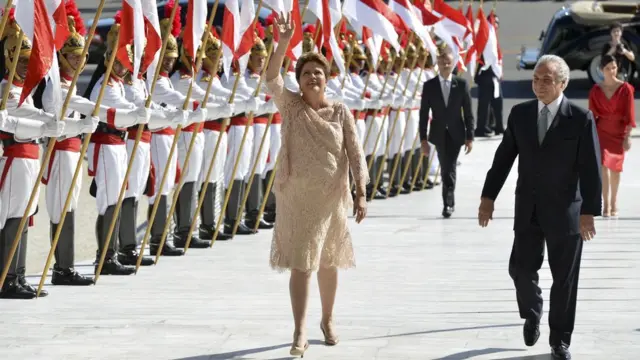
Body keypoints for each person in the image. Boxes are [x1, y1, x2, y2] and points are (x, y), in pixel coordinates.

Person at [478, 54, 602, 360]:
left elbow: (590, 168)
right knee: (520, 269)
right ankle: (532, 312)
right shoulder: (520, 115)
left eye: (546, 80)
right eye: (536, 79)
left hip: (566, 213)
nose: (539, 85)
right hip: (528, 209)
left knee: (564, 279)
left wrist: (589, 212)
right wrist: (488, 197)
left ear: (562, 83)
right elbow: (504, 158)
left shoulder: (580, 118)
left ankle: (559, 340)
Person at [265, 13, 368, 358]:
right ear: (299, 80)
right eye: (306, 73)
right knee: (301, 263)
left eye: (318, 73)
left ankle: (327, 320)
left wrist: (361, 193)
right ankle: (299, 330)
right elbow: (270, 78)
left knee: (328, 262)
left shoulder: (339, 111)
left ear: (327, 79)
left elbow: (355, 153)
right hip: (297, 198)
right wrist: (282, 43)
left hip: (332, 199)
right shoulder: (291, 106)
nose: (312, 77)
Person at [419, 42, 474, 218]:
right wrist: (423, 140)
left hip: (457, 133)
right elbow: (423, 114)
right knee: (447, 167)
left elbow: (468, 112)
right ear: (438, 64)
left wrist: (470, 137)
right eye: (442, 62)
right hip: (438, 133)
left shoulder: (461, 84)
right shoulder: (430, 86)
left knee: (449, 167)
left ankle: (448, 202)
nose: (445, 65)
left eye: (449, 62)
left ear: (453, 64)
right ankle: (448, 203)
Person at [588, 54, 635, 217]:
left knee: (615, 169)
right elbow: (592, 116)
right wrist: (589, 136)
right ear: (601, 70)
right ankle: (605, 204)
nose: (611, 71)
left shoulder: (626, 89)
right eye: (607, 68)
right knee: (603, 167)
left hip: (619, 132)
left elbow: (630, 114)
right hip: (601, 132)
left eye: (614, 68)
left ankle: (614, 202)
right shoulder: (595, 90)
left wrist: (628, 136)